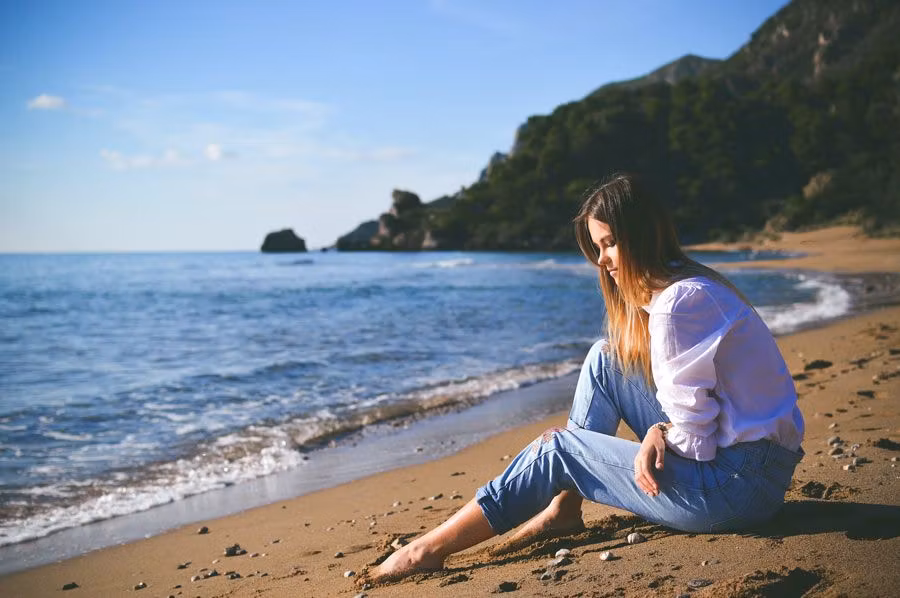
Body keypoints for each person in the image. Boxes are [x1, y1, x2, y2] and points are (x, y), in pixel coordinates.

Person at [363, 173, 805, 584]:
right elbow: (707, 419)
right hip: (754, 471)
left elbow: (696, 441)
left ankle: (426, 549)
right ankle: (563, 509)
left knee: (559, 449)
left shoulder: (677, 305)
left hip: (734, 490)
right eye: (597, 246)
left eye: (610, 243)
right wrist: (661, 432)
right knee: (605, 359)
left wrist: (658, 432)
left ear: (642, 236)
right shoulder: (693, 288)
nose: (602, 259)